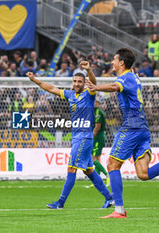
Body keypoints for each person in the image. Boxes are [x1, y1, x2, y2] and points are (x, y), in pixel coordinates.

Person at [86, 48, 159, 219]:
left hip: (131, 127)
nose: (111, 61)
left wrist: (96, 87)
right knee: (143, 173)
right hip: (142, 128)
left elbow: (113, 86)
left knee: (112, 165)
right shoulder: (133, 76)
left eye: (114, 59)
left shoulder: (125, 78)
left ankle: (119, 210)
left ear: (121, 63)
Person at [26, 61, 114, 209]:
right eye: (75, 81)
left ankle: (60, 203)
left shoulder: (89, 93)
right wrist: (35, 80)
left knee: (71, 168)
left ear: (84, 83)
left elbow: (93, 82)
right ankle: (109, 197)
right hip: (76, 137)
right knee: (88, 170)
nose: (77, 83)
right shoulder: (69, 94)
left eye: (80, 81)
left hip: (84, 137)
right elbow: (52, 88)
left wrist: (89, 70)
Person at [91, 98, 109, 187]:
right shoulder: (95, 111)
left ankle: (107, 174)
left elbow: (97, 128)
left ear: (97, 103)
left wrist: (91, 137)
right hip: (99, 136)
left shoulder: (98, 112)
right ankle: (97, 181)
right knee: (97, 158)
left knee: (93, 158)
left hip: (97, 137)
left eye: (94, 101)